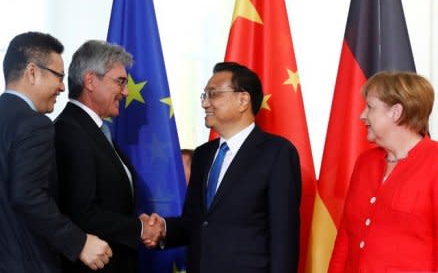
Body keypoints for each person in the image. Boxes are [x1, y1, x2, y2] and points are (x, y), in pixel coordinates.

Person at [146, 62, 302, 273]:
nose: (205, 103)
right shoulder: (203, 155)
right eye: (204, 95)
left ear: (243, 100)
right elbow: (196, 222)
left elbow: (284, 237)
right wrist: (162, 228)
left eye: (214, 94)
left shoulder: (278, 153)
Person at [0, 32, 112, 272]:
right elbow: (28, 195)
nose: (62, 86)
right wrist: (79, 243)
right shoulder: (35, 124)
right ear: (32, 72)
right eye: (58, 76)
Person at [53, 40, 157, 273]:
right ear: (90, 80)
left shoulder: (97, 130)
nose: (126, 91)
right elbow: (82, 213)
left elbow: (109, 201)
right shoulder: (70, 131)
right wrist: (138, 229)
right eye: (120, 81)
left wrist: (137, 223)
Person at [328, 71, 438, 272]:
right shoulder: (365, 162)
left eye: (370, 107)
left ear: (396, 112)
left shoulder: (434, 163)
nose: (362, 115)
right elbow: (345, 236)